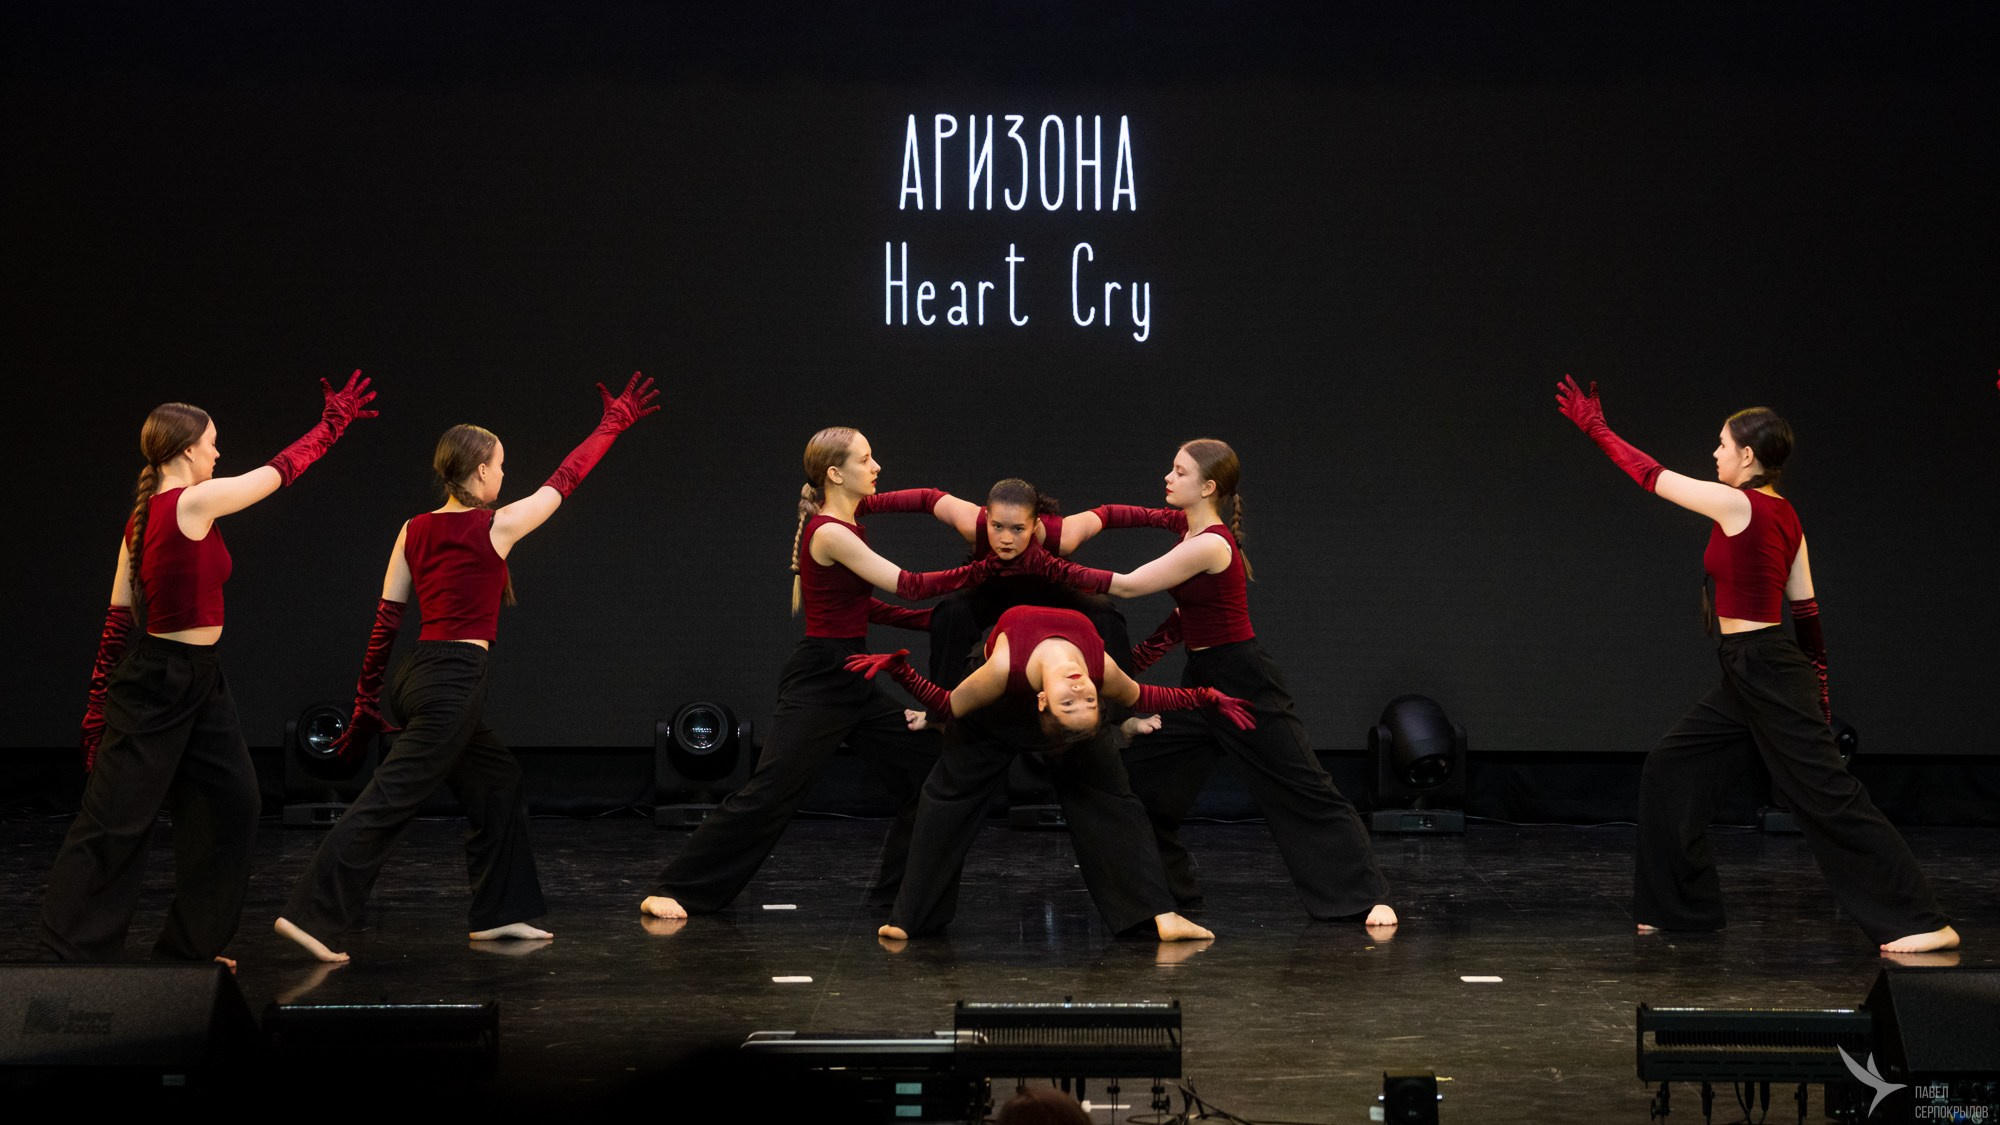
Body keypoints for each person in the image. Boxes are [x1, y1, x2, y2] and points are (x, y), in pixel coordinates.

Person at [1555, 375, 1955, 953]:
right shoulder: (1785, 515)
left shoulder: (1736, 502)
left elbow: (1648, 475)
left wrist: (1597, 430)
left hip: (1765, 667)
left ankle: (1922, 920)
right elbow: (1809, 614)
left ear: (1747, 455)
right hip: (1751, 669)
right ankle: (1681, 910)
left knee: (1827, 796)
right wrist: (1818, 686)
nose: (1714, 453)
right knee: (1671, 767)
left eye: (1722, 444)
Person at [276, 373, 658, 962]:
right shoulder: (495, 527)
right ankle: (311, 916)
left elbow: (385, 625)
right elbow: (567, 479)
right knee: (390, 798)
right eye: (501, 466)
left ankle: (499, 915)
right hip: (452, 680)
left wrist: (367, 701)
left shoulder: (414, 528)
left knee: (497, 782)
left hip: (420, 677)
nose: (505, 476)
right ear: (480, 471)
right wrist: (610, 426)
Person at [41, 371, 379, 963]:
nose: (219, 452)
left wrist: (97, 706)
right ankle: (69, 957)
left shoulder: (156, 514)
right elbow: (278, 473)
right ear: (186, 450)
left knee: (234, 804)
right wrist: (332, 425)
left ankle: (189, 948)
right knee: (116, 822)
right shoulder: (186, 502)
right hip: (156, 682)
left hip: (201, 680)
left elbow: (117, 622)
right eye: (212, 443)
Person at [1022, 439, 1398, 927]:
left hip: (1242, 682)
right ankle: (1170, 889)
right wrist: (1069, 528)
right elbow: (1178, 611)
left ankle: (1367, 896)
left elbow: (1132, 584)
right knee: (1140, 778)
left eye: (1178, 472)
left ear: (1208, 487)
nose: (1167, 478)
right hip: (1200, 682)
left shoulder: (1210, 544)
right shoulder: (1185, 527)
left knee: (1301, 783)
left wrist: (1045, 564)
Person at [638, 428, 1006, 921]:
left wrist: (934, 619)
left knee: (932, 771)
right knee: (771, 793)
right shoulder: (830, 531)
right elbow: (908, 585)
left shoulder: (848, 523)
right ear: (835, 473)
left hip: (852, 672)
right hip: (821, 677)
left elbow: (861, 607)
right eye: (866, 459)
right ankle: (676, 887)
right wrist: (984, 571)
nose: (877, 467)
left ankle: (898, 896)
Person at [849, 604, 1243, 941]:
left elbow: (1143, 696)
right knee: (947, 797)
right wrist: (1205, 696)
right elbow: (952, 706)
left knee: (1115, 800)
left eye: (1081, 700)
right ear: (1041, 700)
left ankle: (1160, 914)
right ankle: (911, 919)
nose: (1079, 691)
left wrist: (1204, 698)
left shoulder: (1055, 672)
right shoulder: (1038, 668)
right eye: (1082, 699)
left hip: (1037, 715)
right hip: (995, 713)